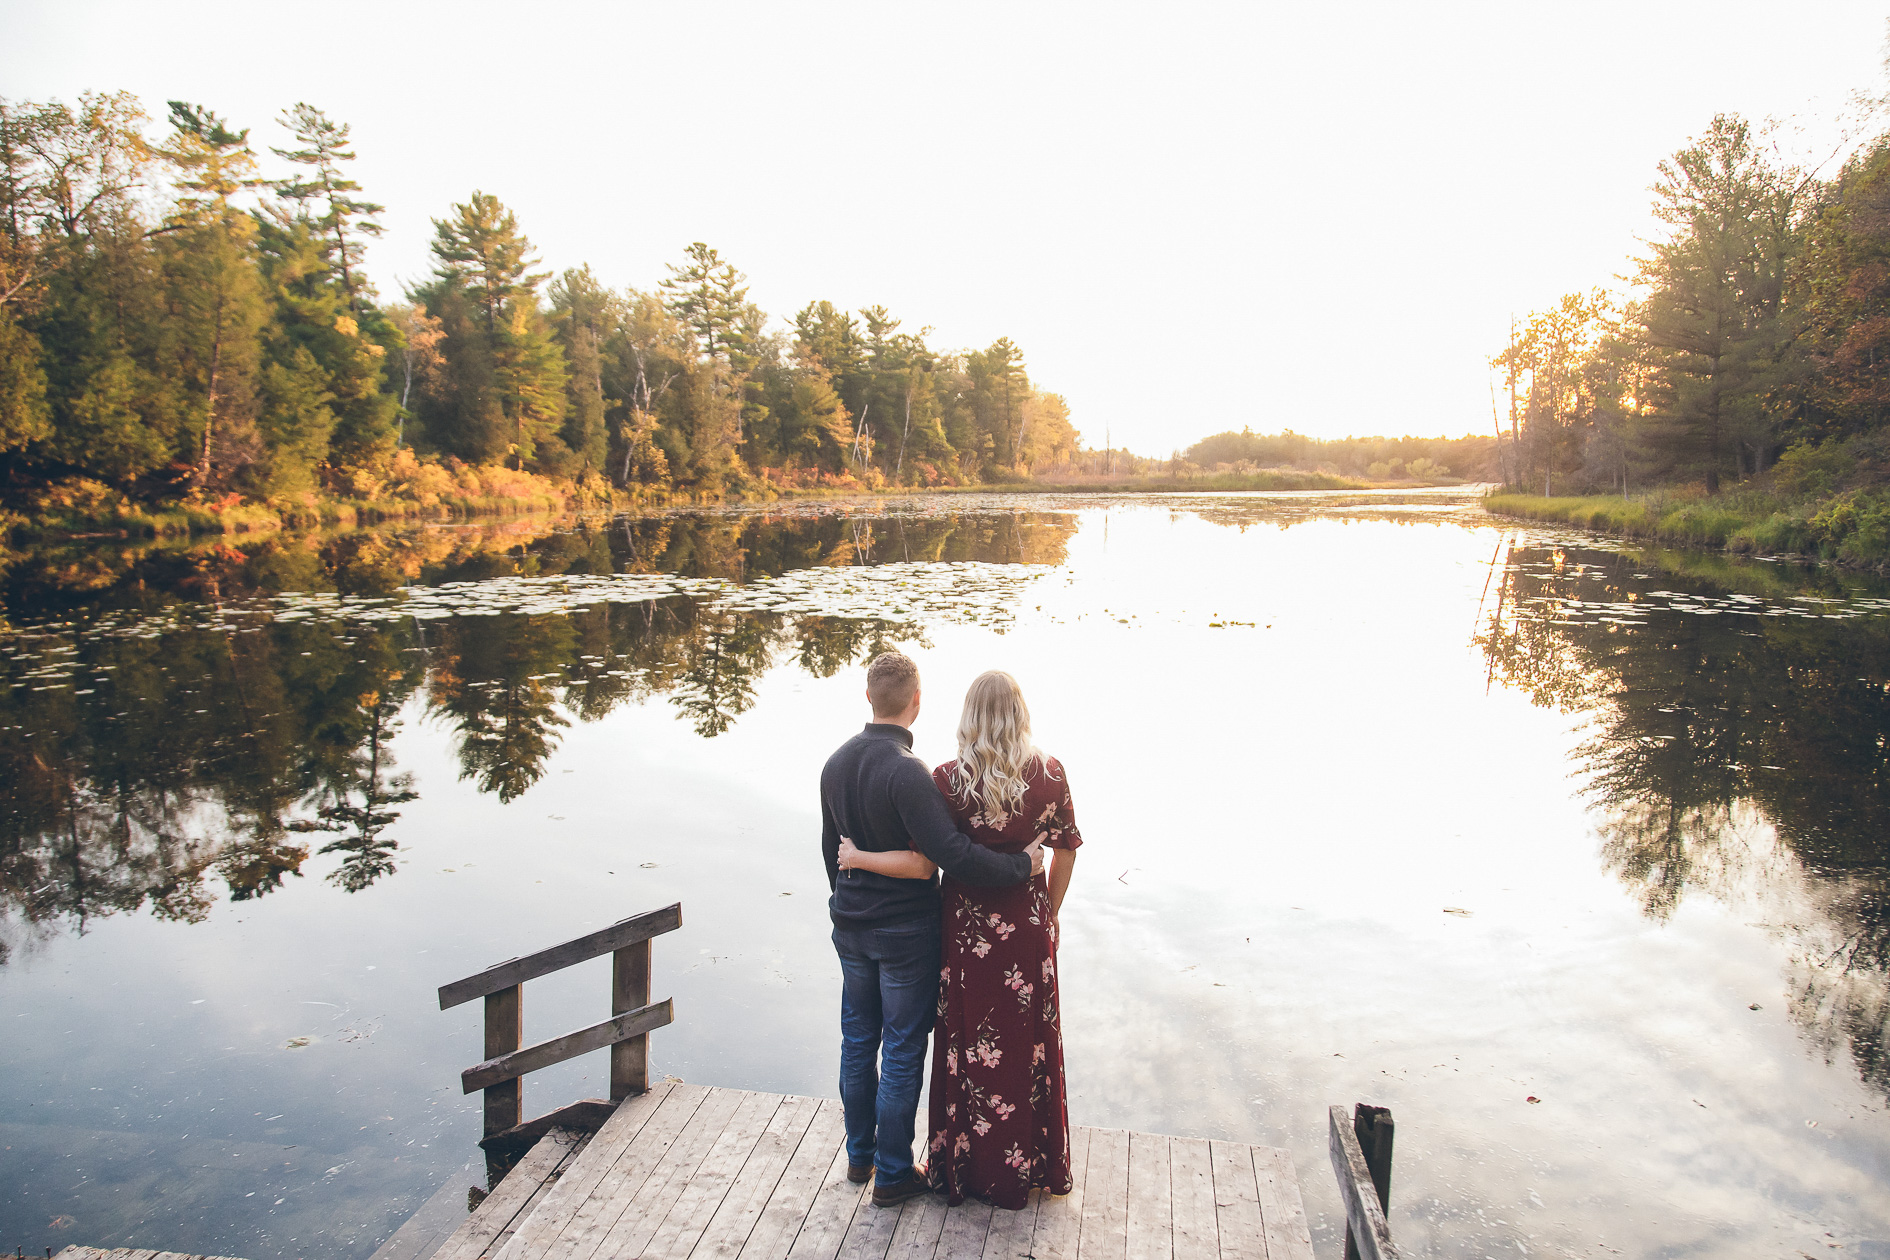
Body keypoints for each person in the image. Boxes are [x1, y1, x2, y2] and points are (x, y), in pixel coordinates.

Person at [837, 669, 1080, 1209]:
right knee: (1027, 1043)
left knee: (967, 1045)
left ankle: (957, 1165)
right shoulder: (1051, 772)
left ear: (968, 716)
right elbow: (1065, 851)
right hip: (1027, 927)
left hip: (966, 933)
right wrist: (1050, 911)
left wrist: (854, 868)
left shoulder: (946, 779)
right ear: (1022, 713)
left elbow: (928, 858)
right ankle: (1026, 1165)